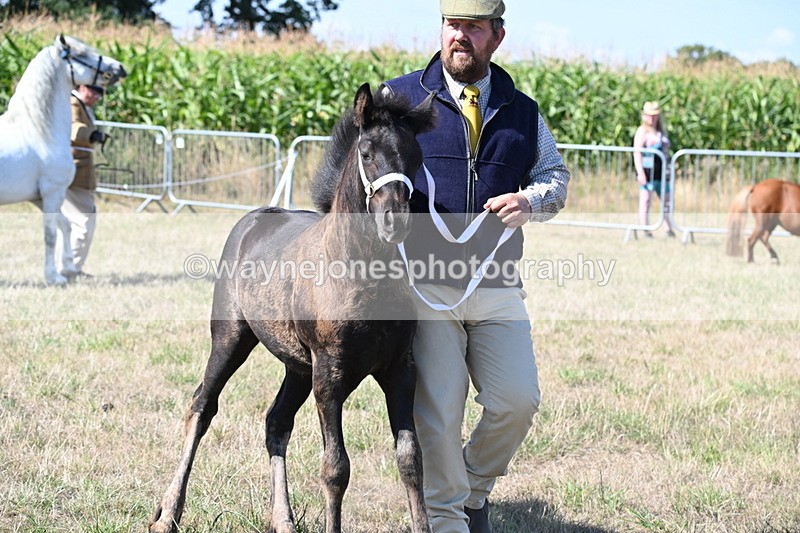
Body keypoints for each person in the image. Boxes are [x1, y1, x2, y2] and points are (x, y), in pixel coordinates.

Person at [381, 1, 570, 531]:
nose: (459, 36)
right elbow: (365, 162)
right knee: (439, 413)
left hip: (497, 283)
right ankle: (446, 517)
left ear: (497, 36)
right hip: (424, 286)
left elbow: (556, 176)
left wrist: (532, 201)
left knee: (517, 401)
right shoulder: (399, 97)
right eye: (451, 25)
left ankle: (472, 488)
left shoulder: (523, 111)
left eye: (472, 28)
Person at [63, 83, 108, 276]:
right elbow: (72, 128)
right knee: (83, 223)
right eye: (94, 92)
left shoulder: (82, 105)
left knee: (80, 223)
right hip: (75, 173)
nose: (96, 97)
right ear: (82, 86)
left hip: (80, 173)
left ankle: (70, 267)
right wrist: (92, 134)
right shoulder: (73, 102)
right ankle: (69, 269)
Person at [632, 100, 675, 238]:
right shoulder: (642, 131)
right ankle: (646, 230)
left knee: (666, 201)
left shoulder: (661, 131)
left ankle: (668, 228)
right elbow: (637, 152)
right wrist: (640, 173)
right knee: (646, 201)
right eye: (649, 115)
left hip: (662, 172)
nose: (652, 118)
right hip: (648, 172)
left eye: (654, 115)